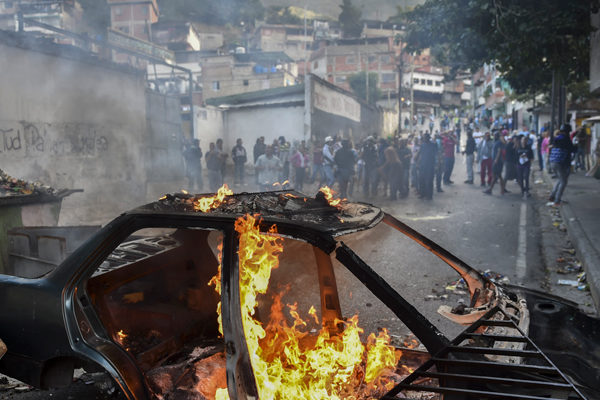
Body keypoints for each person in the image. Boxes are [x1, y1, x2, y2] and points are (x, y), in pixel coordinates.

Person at [549, 124, 575, 206]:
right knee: (563, 182)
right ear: (567, 131)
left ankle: (552, 196)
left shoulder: (556, 138)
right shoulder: (566, 139)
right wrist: (576, 146)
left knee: (560, 180)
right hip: (561, 163)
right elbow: (572, 149)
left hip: (553, 162)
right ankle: (557, 200)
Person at [417, 133, 437, 200]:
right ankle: (422, 194)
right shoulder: (422, 145)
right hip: (422, 165)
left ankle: (429, 195)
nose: (424, 139)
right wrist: (418, 163)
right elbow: (420, 154)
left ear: (428, 138)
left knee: (429, 181)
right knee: (421, 180)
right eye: (424, 138)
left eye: (425, 137)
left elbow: (436, 154)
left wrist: (437, 164)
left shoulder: (433, 145)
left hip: (430, 165)